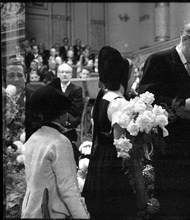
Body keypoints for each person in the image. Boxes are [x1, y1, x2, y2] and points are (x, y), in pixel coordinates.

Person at [137, 21, 190, 219]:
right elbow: (146, 98)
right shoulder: (159, 60)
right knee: (172, 209)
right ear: (185, 39)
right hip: (172, 153)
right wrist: (183, 104)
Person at [82, 46, 137, 219]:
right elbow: (121, 146)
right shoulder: (118, 102)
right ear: (124, 76)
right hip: (113, 167)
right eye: (133, 75)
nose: (134, 79)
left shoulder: (103, 97)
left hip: (99, 160)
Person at [22, 81, 90, 219]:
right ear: (60, 115)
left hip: (30, 210)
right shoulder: (59, 142)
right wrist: (82, 216)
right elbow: (68, 188)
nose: (67, 116)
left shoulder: (32, 139)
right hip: (51, 212)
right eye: (66, 112)